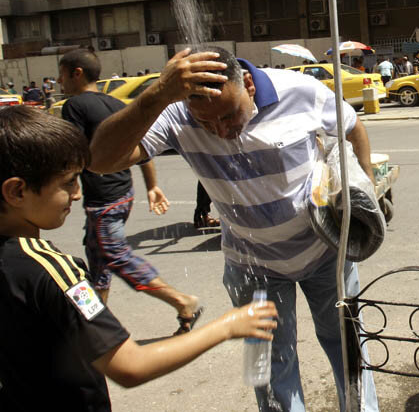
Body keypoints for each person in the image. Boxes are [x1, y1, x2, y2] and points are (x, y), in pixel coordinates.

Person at [87, 46, 380, 412]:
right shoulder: (176, 113)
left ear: (248, 86)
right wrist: (156, 95)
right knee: (270, 370)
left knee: (346, 345)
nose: (221, 131)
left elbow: (353, 128)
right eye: (206, 124)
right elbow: (99, 161)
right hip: (252, 267)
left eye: (228, 115)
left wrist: (364, 190)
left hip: (324, 253)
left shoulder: (300, 90)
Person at [0, 105, 278, 412]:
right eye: (68, 183)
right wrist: (227, 326)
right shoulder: (53, 271)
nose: (77, 194)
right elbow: (130, 365)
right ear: (17, 191)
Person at [57, 49, 202, 334]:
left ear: (77, 73)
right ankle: (94, 326)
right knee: (98, 262)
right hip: (122, 194)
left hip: (103, 199)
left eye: (61, 75)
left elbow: (69, 154)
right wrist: (152, 186)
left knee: (117, 258)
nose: (58, 82)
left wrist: (67, 185)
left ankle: (183, 302)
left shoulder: (74, 107)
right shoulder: (114, 103)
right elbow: (141, 149)